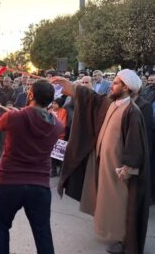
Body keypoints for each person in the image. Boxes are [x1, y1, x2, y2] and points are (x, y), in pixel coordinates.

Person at [53, 69, 150, 254]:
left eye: (115, 83)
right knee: (108, 204)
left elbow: (135, 141)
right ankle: (116, 234)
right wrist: (72, 88)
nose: (111, 85)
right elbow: (92, 99)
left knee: (123, 206)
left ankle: (124, 241)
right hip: (105, 165)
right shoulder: (111, 103)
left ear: (126, 87)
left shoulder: (132, 111)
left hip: (120, 170)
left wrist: (129, 166)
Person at [0, 80, 63, 254]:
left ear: (30, 95)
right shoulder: (57, 125)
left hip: (10, 183)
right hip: (39, 186)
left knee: (1, 227)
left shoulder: (14, 117)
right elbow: (42, 120)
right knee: (43, 233)